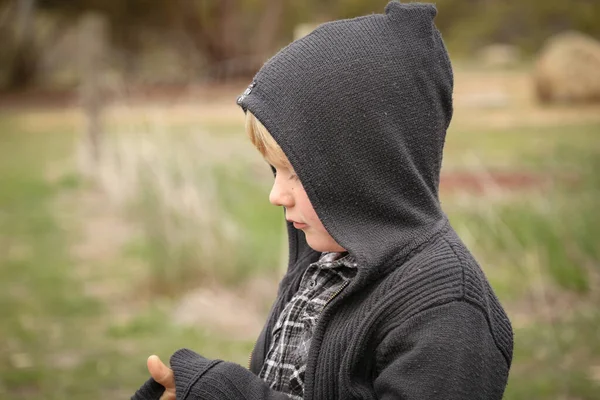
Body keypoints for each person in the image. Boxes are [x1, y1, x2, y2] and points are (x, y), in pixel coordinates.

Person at [131, 2, 513, 399]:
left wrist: (229, 393)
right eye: (275, 170)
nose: (276, 194)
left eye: (297, 172)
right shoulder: (327, 264)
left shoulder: (447, 310)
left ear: (367, 169)